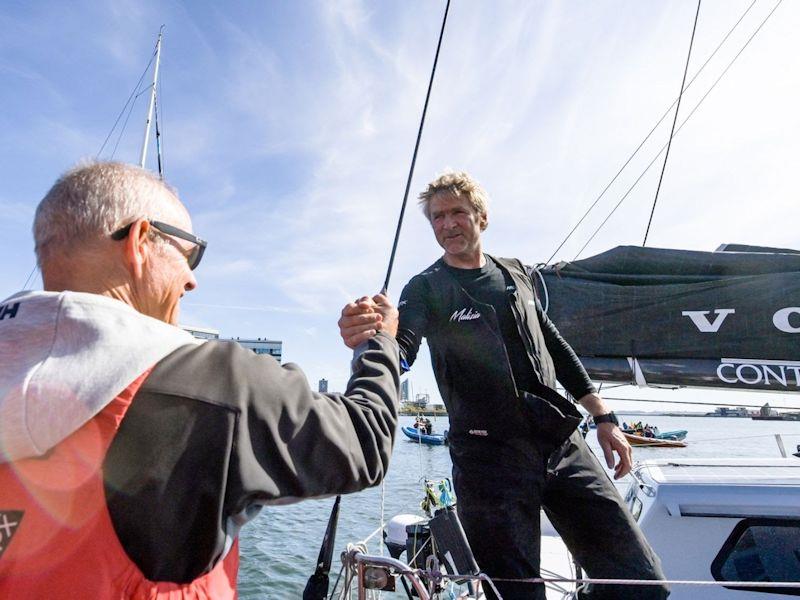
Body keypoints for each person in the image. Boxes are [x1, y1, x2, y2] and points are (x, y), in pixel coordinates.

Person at [0, 161, 401, 599]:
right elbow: (367, 439)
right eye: (188, 254)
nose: (191, 281)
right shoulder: (213, 385)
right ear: (138, 241)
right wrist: (377, 341)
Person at [339, 171, 667, 599]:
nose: (447, 224)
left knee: (641, 583)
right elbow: (402, 352)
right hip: (488, 463)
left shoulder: (518, 274)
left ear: (482, 217)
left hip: (561, 443)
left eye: (458, 212)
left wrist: (603, 416)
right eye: (437, 218)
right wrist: (373, 339)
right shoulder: (425, 288)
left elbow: (555, 347)